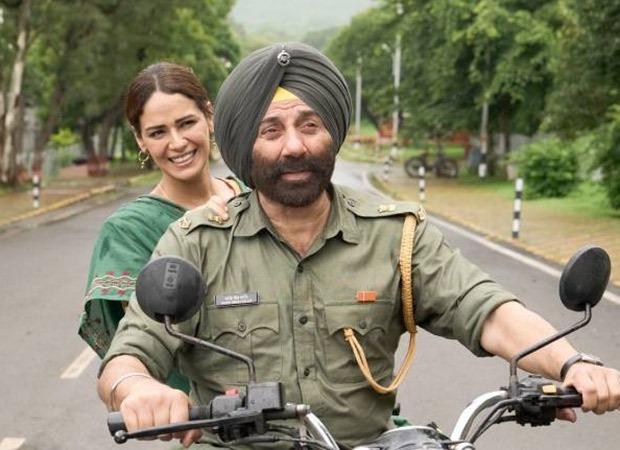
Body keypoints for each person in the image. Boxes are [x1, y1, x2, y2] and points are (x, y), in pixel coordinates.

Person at [97, 44, 620, 449]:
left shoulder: (397, 234)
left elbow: (485, 308)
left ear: (333, 133)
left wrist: (572, 363)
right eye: (270, 130)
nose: (294, 145)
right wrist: (139, 389)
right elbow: (130, 352)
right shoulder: (196, 241)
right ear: (244, 144)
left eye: (310, 125)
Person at [79, 62, 248, 391]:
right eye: (158, 132)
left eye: (186, 123)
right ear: (140, 139)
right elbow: (143, 341)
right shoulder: (129, 230)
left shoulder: (254, 195)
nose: (178, 142)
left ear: (209, 117)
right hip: (200, 410)